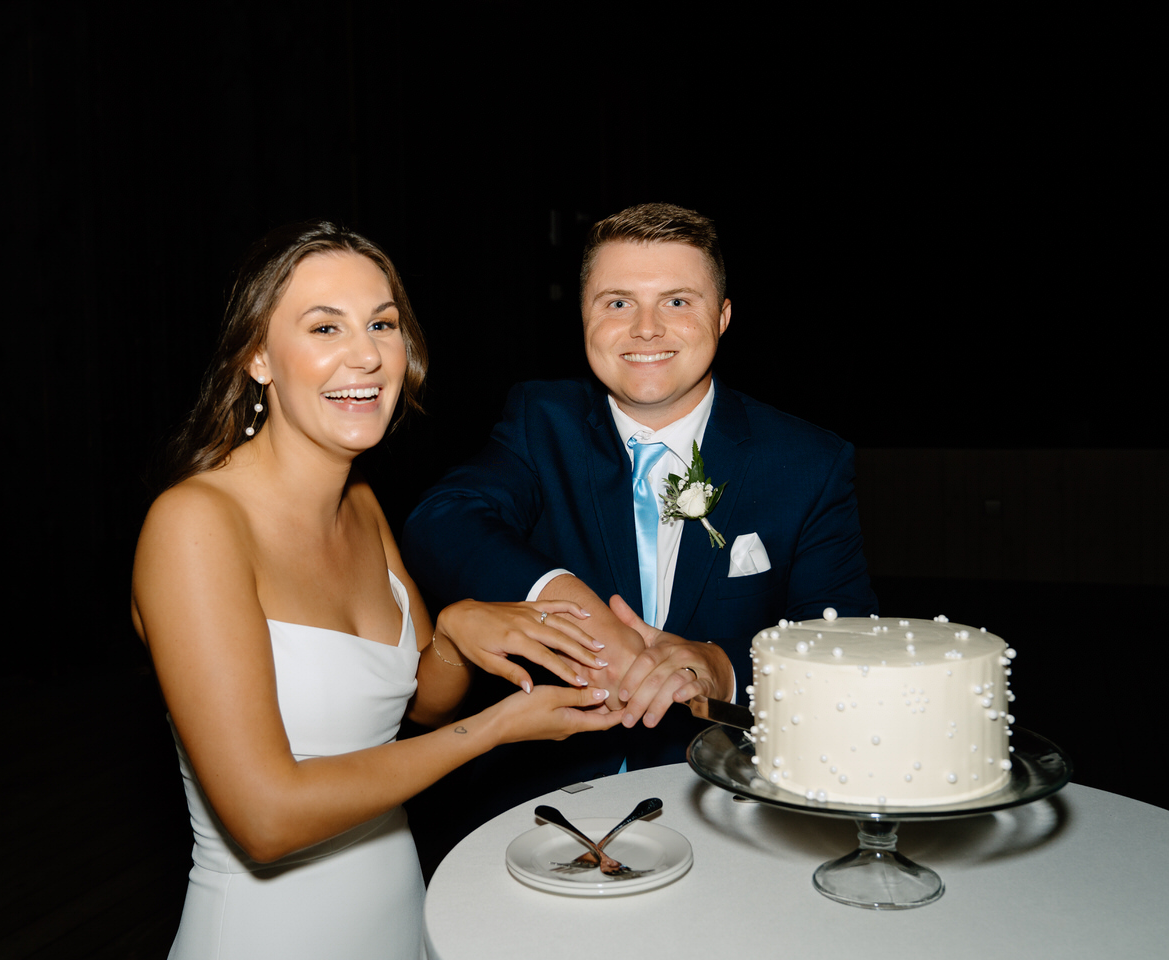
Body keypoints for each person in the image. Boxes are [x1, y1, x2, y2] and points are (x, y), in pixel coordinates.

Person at [130, 220, 622, 960]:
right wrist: (492, 731)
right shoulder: (194, 525)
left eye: (382, 324)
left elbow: (423, 700)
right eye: (325, 326)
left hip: (397, 911)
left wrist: (455, 632)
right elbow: (265, 819)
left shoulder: (359, 504)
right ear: (257, 357)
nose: (365, 354)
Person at [401, 202, 877, 844]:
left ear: (724, 316)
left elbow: (844, 645)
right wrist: (571, 603)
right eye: (618, 302)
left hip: (732, 812)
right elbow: (443, 517)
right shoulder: (542, 422)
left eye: (678, 301)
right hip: (551, 811)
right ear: (584, 317)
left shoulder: (808, 462)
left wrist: (723, 666)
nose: (646, 328)